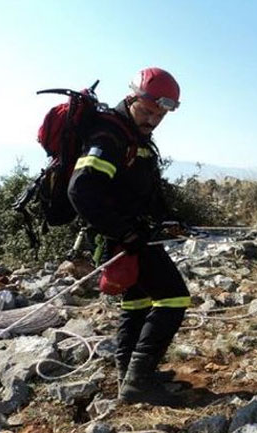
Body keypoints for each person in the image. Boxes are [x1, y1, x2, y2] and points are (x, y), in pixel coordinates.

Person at [67, 67, 190, 406]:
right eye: (148, 111)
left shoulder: (133, 135)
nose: (153, 120)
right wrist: (124, 232)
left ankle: (130, 375)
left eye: (160, 115)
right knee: (174, 298)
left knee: (136, 303)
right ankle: (139, 378)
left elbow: (143, 188)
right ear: (132, 98)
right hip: (123, 236)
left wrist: (169, 219)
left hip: (131, 234)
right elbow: (81, 191)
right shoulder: (109, 136)